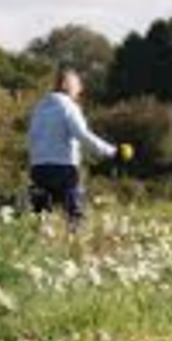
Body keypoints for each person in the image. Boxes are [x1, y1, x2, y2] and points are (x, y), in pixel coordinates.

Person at [27, 68, 131, 233]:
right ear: (66, 85)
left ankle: (37, 252)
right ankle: (74, 250)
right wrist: (112, 152)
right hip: (63, 169)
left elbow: (31, 138)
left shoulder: (39, 107)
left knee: (41, 218)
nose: (80, 89)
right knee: (74, 218)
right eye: (78, 85)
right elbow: (82, 135)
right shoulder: (68, 106)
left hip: (38, 168)